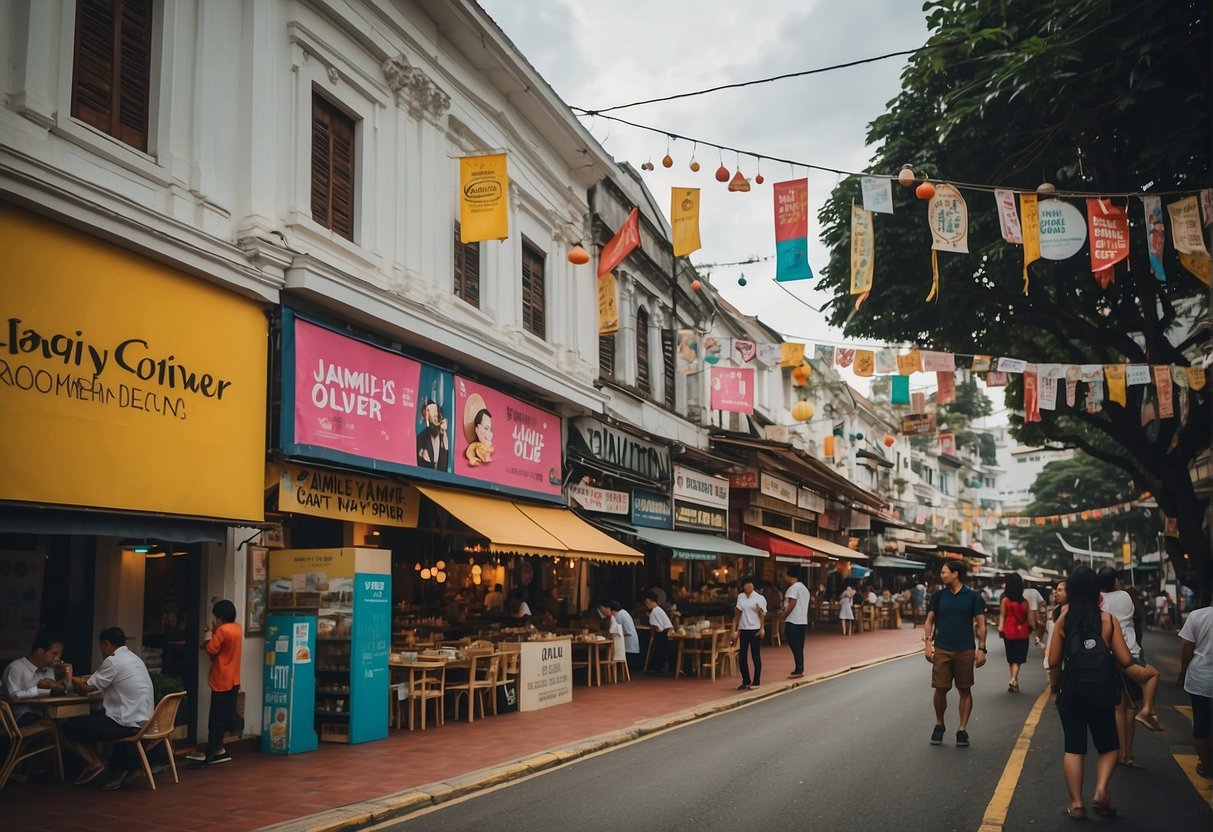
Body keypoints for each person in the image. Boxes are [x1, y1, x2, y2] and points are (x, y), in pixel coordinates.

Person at [1047, 566, 1158, 819]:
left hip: (1072, 691)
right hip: (1102, 691)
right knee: (1109, 745)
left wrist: (1055, 689)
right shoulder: (1108, 620)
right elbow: (1125, 659)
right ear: (1097, 591)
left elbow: (1053, 660)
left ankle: (1076, 804)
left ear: (1072, 591)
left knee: (1074, 748)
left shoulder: (1064, 618)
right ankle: (1100, 791)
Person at [61, 627, 154, 790]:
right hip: (143, 719)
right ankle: (107, 764)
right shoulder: (134, 659)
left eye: (102, 646)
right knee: (95, 717)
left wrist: (68, 675)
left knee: (68, 726)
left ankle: (94, 763)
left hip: (125, 722)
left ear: (106, 644)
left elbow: (84, 688)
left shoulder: (113, 661)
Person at [1096, 567, 1162, 770]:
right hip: (1129, 653)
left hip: (1110, 655)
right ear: (1116, 580)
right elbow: (1132, 608)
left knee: (1120, 707)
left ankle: (1123, 753)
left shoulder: (1098, 600)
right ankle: (1148, 711)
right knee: (1151, 679)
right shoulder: (1124, 596)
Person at [923, 560, 987, 748]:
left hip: (966, 650)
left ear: (955, 573)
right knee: (940, 689)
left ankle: (962, 729)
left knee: (964, 690)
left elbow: (981, 624)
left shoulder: (973, 597)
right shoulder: (938, 596)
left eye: (944, 572)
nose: (941, 575)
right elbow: (929, 622)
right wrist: (927, 644)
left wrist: (981, 649)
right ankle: (939, 724)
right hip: (942, 648)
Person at [188, 599, 243, 768]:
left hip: (221, 678)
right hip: (234, 678)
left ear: (219, 617)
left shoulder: (222, 630)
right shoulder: (237, 628)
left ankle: (211, 751)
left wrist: (210, 633)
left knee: (216, 718)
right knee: (226, 713)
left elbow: (211, 649)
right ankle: (219, 749)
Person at [1178, 602, 1213, 778]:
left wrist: (1183, 671)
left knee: (1201, 721)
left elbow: (1186, 647)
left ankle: (1205, 764)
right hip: (1201, 678)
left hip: (1200, 678)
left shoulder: (1197, 616)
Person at [2, 630, 66, 726]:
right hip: (18, 718)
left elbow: (50, 695)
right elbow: (13, 697)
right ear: (40, 651)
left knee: (67, 722)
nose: (58, 658)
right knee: (54, 726)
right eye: (54, 654)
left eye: (59, 655)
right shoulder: (16, 668)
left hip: (43, 714)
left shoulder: (49, 669)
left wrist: (61, 684)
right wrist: (38, 689)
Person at [731, 577, 767, 690]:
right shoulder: (740, 597)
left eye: (750, 584)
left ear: (753, 585)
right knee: (742, 656)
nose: (748, 586)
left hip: (755, 628)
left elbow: (762, 614)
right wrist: (735, 630)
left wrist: (762, 628)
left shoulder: (759, 598)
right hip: (744, 628)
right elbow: (737, 614)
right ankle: (746, 680)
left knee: (755, 655)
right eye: (746, 584)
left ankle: (756, 681)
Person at [999, 573, 1031, 693]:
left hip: (1009, 631)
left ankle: (1014, 681)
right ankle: (1013, 679)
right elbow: (1029, 618)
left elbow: (1002, 616)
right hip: (1023, 632)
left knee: (1012, 658)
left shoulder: (1005, 601)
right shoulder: (1025, 602)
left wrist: (1001, 626)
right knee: (1018, 658)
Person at [782, 571, 810, 678]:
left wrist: (783, 616)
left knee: (793, 643)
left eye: (784, 575)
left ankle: (799, 667)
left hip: (793, 619)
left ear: (789, 576)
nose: (784, 578)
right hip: (802, 619)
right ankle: (799, 666)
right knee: (799, 644)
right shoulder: (804, 588)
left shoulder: (793, 588)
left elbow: (792, 603)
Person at [643, 591, 673, 674]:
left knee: (659, 650)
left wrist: (653, 634)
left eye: (647, 602)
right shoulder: (659, 610)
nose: (646, 605)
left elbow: (657, 627)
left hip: (662, 633)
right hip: (667, 631)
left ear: (652, 601)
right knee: (661, 651)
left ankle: (658, 668)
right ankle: (659, 668)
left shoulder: (654, 612)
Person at [416, 398, 449, 469]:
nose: (434, 420)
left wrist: (443, 434)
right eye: (428, 417)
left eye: (436, 416)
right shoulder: (420, 437)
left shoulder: (445, 435)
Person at [607, 600, 640, 671]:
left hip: (628, 641)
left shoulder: (619, 616)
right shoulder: (623, 612)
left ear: (612, 610)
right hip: (630, 639)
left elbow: (615, 630)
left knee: (627, 663)